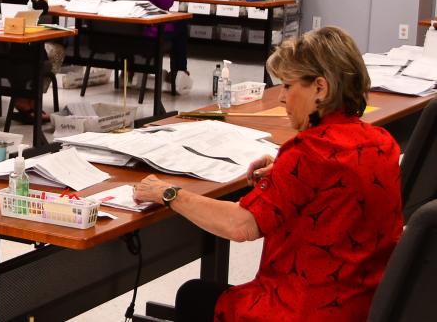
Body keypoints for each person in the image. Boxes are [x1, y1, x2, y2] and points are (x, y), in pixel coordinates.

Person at [132, 26, 402, 322]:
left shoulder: (307, 152)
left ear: (320, 89)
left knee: (193, 295)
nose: (282, 98)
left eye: (288, 86)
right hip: (362, 306)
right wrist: (287, 170)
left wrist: (168, 193)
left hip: (302, 310)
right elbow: (339, 179)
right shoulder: (382, 143)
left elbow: (241, 226)